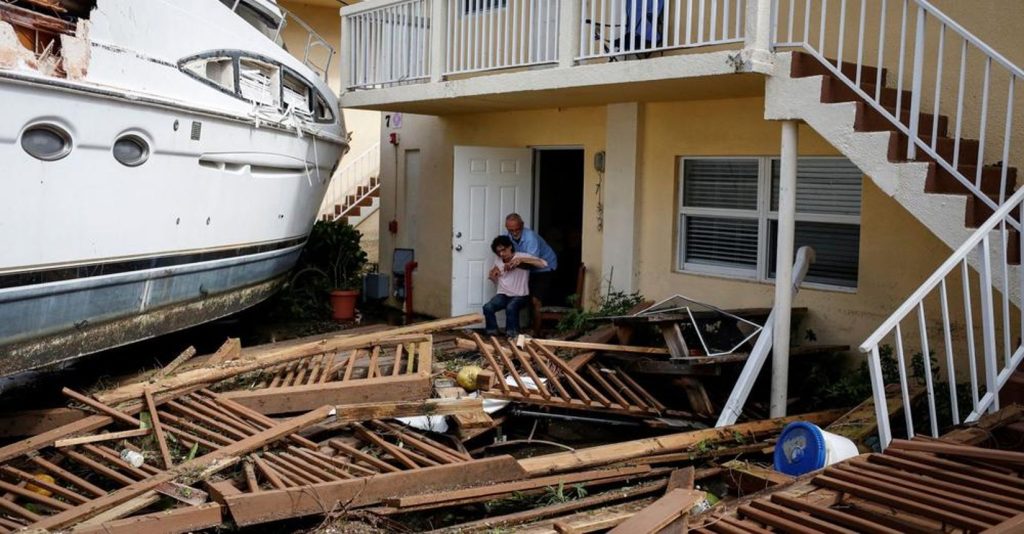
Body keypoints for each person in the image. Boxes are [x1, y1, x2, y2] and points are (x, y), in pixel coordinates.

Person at [483, 235, 548, 338]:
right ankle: (492, 332)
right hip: (503, 294)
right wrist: (493, 275)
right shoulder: (498, 259)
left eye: (503, 250)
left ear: (510, 247)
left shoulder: (521, 256)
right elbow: (496, 273)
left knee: (511, 307)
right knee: (487, 307)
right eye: (498, 252)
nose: (501, 254)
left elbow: (543, 264)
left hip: (520, 295)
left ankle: (512, 334)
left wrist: (521, 260)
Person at [502, 213, 558, 309]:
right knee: (524, 298)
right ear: (506, 227)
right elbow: (503, 254)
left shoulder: (531, 237)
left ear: (522, 225)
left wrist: (514, 263)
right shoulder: (506, 237)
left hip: (545, 267)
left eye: (517, 229)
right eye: (511, 230)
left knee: (536, 299)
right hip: (528, 269)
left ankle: (536, 324)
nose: (514, 233)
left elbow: (533, 262)